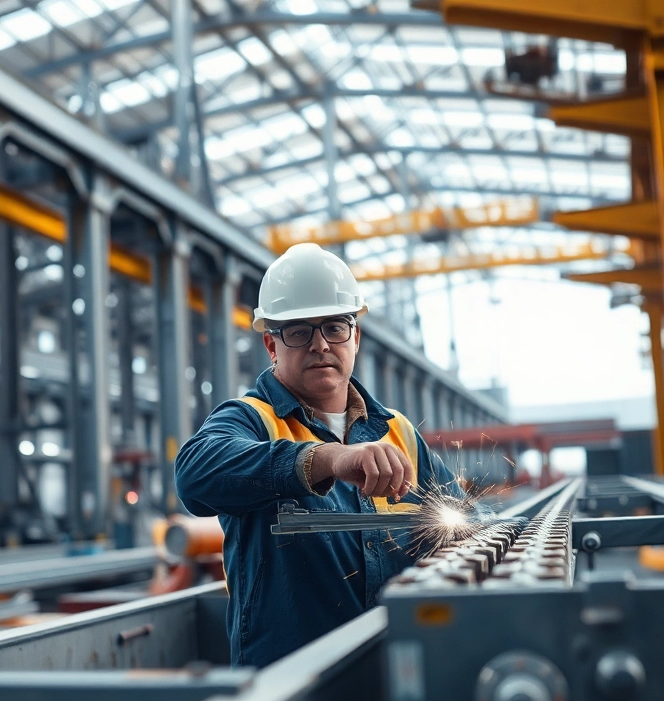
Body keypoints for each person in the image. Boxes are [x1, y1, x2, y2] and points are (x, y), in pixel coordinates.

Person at [174, 243, 462, 668]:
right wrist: (327, 459)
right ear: (272, 346)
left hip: (394, 678)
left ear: (355, 336)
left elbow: (458, 523)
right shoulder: (251, 420)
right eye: (298, 331)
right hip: (288, 692)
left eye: (334, 327)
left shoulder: (398, 432)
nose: (320, 344)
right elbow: (194, 475)